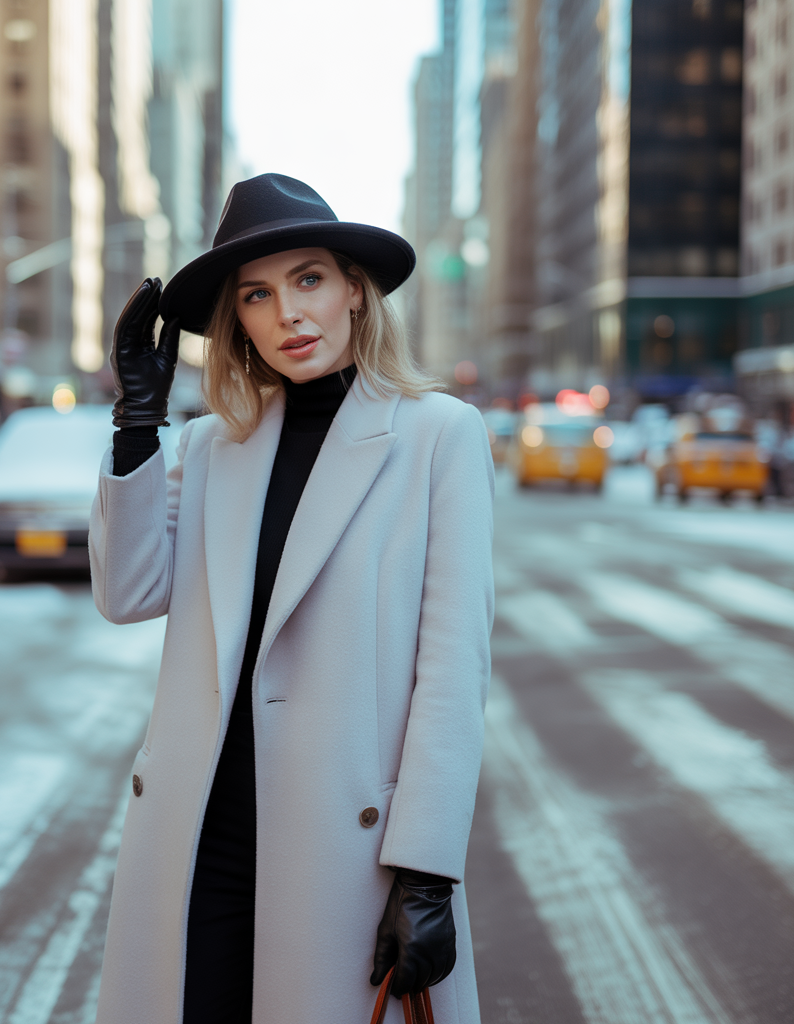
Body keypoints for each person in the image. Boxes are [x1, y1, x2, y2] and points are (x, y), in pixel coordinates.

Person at [90, 173, 494, 1024]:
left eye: (309, 279)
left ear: (355, 288)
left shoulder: (438, 437)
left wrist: (426, 870)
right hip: (202, 836)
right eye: (258, 295)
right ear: (238, 319)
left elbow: (453, 672)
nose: (288, 315)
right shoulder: (210, 448)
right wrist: (137, 422)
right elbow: (128, 594)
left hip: (345, 851)